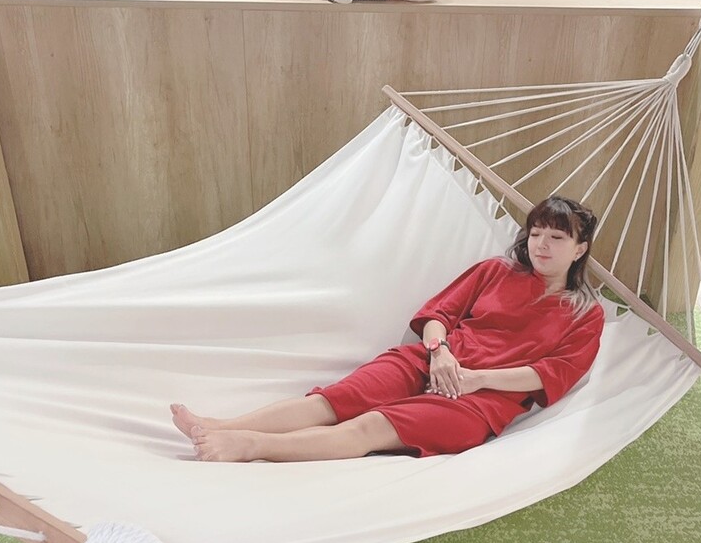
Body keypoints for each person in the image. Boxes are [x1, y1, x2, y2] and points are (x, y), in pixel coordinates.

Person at [171, 195, 605, 463]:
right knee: (334, 400)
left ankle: (250, 446)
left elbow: (551, 374)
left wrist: (477, 379)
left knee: (370, 427)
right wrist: (439, 352)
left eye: (557, 238)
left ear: (579, 249)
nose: (541, 245)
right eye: (536, 233)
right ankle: (221, 425)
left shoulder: (586, 314)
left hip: (481, 401)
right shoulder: (495, 271)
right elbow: (438, 315)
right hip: (431, 360)